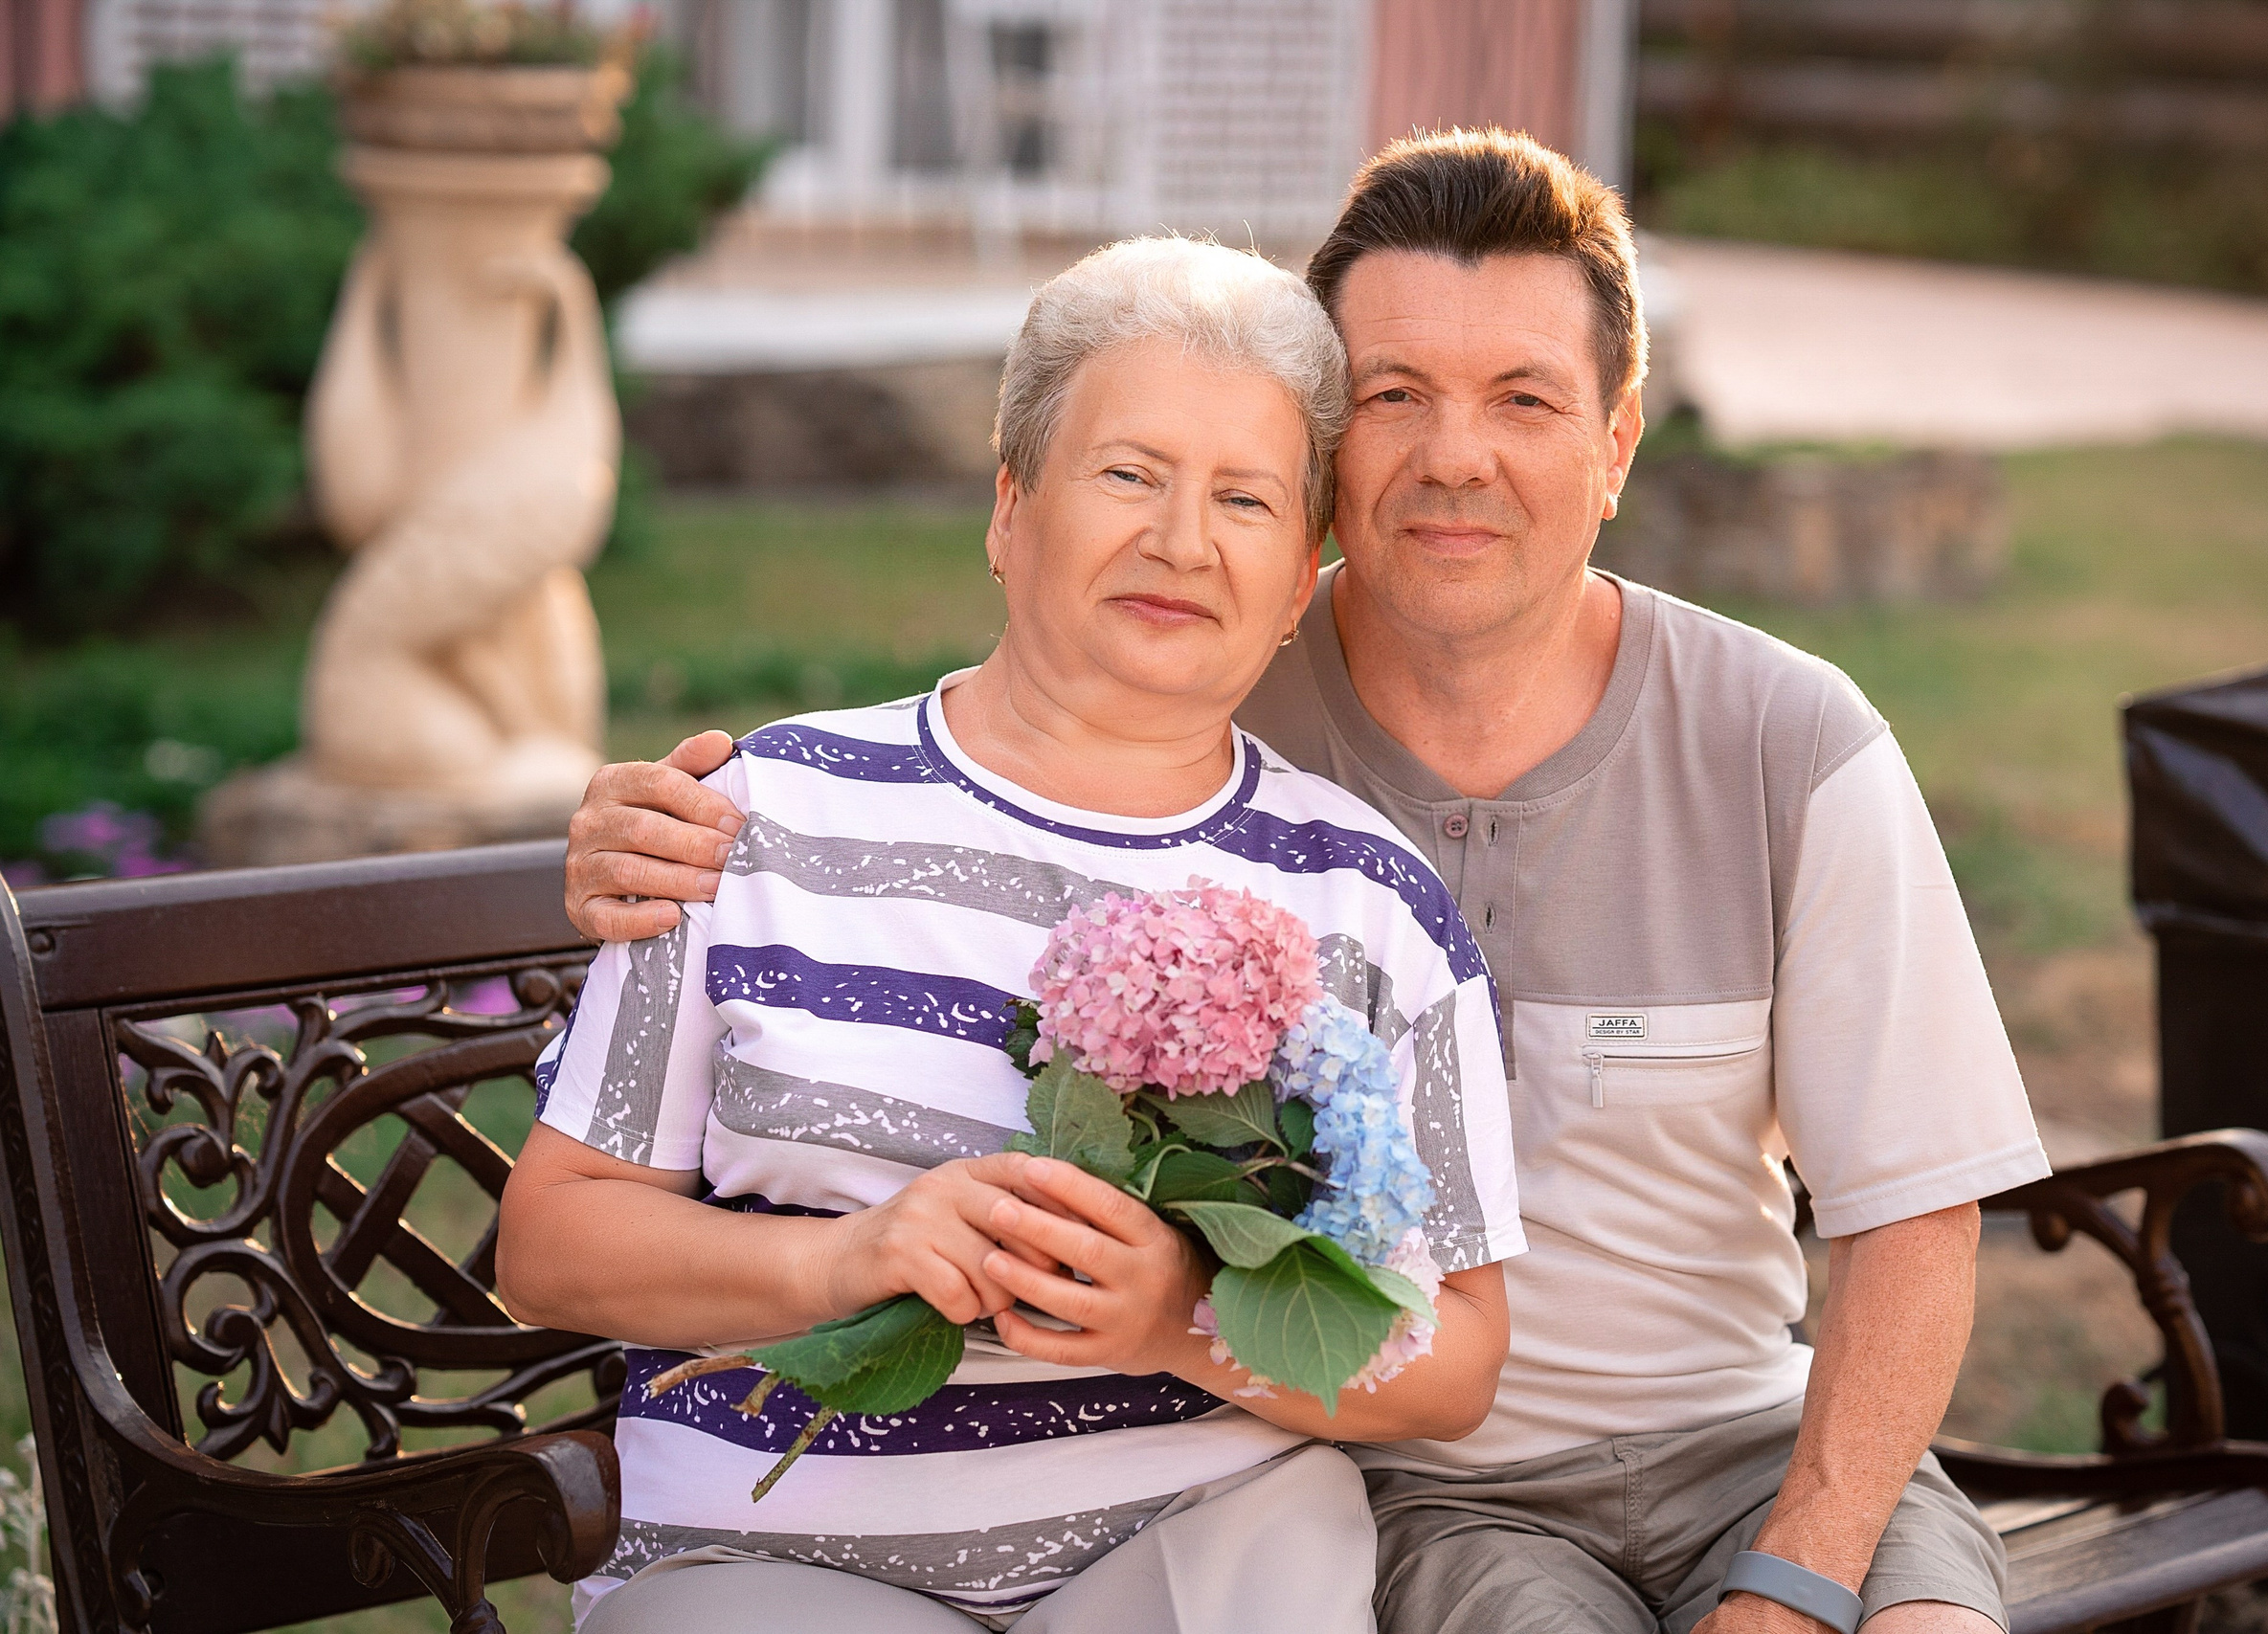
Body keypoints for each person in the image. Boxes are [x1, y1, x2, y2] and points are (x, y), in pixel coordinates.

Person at [564, 131, 2053, 1634]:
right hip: (1428, 1496)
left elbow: (1914, 1214)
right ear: (1330, 471)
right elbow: (1003, 756)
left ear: (1616, 446)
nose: (1455, 456)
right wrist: (696, 828)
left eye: (1524, 399)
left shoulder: (1776, 744)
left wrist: (1796, 1584)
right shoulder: (1179, 703)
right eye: (1396, 394)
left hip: (1744, 1444)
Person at [499, 235, 1524, 1633]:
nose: (1182, 541)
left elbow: (1458, 1359)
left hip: (1184, 1562)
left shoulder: (1373, 903)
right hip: (776, 1575)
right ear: (1009, 508)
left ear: (1299, 580)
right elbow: (551, 1244)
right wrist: (844, 1263)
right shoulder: (748, 822)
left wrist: (1180, 1316)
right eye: (1129, 474)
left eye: (1245, 499)